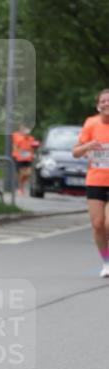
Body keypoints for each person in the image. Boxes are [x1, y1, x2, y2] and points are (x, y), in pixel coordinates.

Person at [72, 88, 109, 278]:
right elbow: (75, 152)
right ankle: (106, 261)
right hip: (96, 180)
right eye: (103, 101)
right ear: (98, 105)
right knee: (97, 224)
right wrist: (88, 146)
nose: (107, 104)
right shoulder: (91, 123)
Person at [11, 123, 40, 196]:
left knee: (28, 173)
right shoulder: (16, 136)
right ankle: (20, 188)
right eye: (23, 128)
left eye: (26, 129)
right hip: (19, 158)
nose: (26, 130)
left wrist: (34, 151)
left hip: (28, 158)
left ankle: (21, 186)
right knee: (21, 173)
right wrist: (17, 153)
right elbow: (15, 146)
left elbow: (33, 147)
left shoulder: (31, 138)